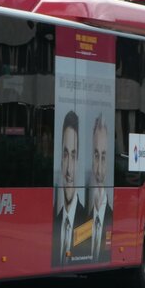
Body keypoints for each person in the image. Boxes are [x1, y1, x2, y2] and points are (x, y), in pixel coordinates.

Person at [53, 109, 89, 265]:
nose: (68, 169)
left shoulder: (87, 219)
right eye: (65, 154)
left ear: (79, 162)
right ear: (60, 159)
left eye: (73, 156)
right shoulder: (56, 219)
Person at [87, 113, 113, 263]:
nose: (99, 168)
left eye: (103, 157)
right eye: (96, 155)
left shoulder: (110, 212)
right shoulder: (81, 213)